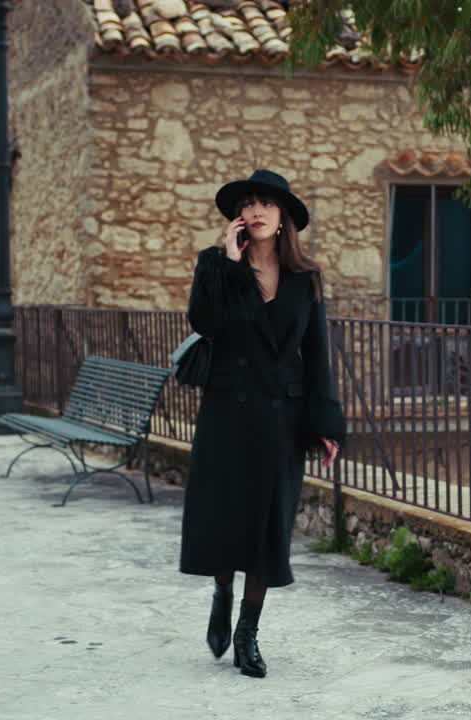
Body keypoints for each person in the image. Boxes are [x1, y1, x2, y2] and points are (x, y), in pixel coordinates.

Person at [179, 169, 345, 678]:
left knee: (269, 526)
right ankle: (222, 594)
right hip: (227, 412)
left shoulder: (305, 278)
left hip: (281, 417)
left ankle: (247, 633)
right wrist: (229, 265)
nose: (255, 212)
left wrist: (326, 422)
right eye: (247, 204)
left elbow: (317, 353)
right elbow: (205, 322)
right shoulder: (215, 264)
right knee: (225, 516)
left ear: (283, 217)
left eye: (266, 204)